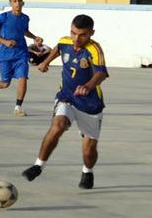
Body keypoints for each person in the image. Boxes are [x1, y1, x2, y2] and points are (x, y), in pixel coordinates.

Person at [22, 14, 108, 189]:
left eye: (82, 34)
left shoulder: (94, 49)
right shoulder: (65, 41)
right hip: (66, 97)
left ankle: (87, 171)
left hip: (90, 105)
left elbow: (101, 73)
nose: (76, 38)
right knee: (58, 125)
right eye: (73, 33)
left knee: (89, 150)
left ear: (91, 33)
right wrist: (46, 61)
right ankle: (39, 165)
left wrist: (88, 85)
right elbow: (58, 48)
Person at [0, 0, 37, 116]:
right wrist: (5, 42)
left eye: (19, 1)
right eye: (14, 1)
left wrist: (35, 37)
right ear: (10, 4)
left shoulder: (25, 18)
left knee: (23, 79)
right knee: (6, 83)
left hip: (21, 54)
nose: (17, 3)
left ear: (23, 3)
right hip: (5, 56)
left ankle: (18, 108)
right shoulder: (3, 17)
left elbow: (25, 31)